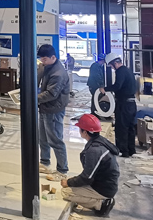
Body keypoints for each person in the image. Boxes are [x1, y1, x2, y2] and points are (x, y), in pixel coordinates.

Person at [61, 113, 118, 217]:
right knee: (74, 182)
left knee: (66, 191)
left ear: (85, 132)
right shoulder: (101, 142)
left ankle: (101, 204)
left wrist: (68, 182)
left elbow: (87, 177)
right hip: (105, 184)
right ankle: (97, 199)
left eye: (80, 129)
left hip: (104, 189)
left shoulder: (94, 150)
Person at [37, 44, 70, 180]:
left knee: (55, 140)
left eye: (44, 59)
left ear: (53, 57)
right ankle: (45, 162)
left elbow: (51, 94)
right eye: (41, 59)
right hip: (45, 107)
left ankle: (62, 170)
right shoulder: (46, 67)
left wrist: (33, 98)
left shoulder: (58, 73)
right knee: (43, 138)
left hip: (54, 110)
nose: (42, 61)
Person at [100, 53, 137, 157]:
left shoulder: (120, 71)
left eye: (111, 66)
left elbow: (117, 86)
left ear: (115, 63)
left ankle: (123, 151)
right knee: (130, 128)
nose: (112, 68)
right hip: (132, 104)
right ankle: (131, 150)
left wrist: (105, 89)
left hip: (124, 104)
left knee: (121, 128)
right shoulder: (128, 70)